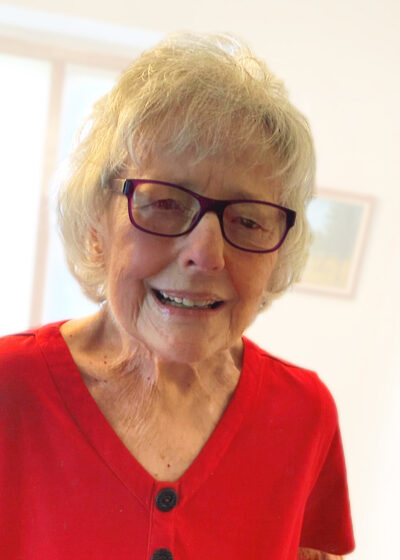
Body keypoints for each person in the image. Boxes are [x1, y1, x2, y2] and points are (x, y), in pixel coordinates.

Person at [0, 32, 354, 560]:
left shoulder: (305, 414)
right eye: (164, 203)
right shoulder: (11, 390)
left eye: (248, 219)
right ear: (97, 223)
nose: (205, 255)